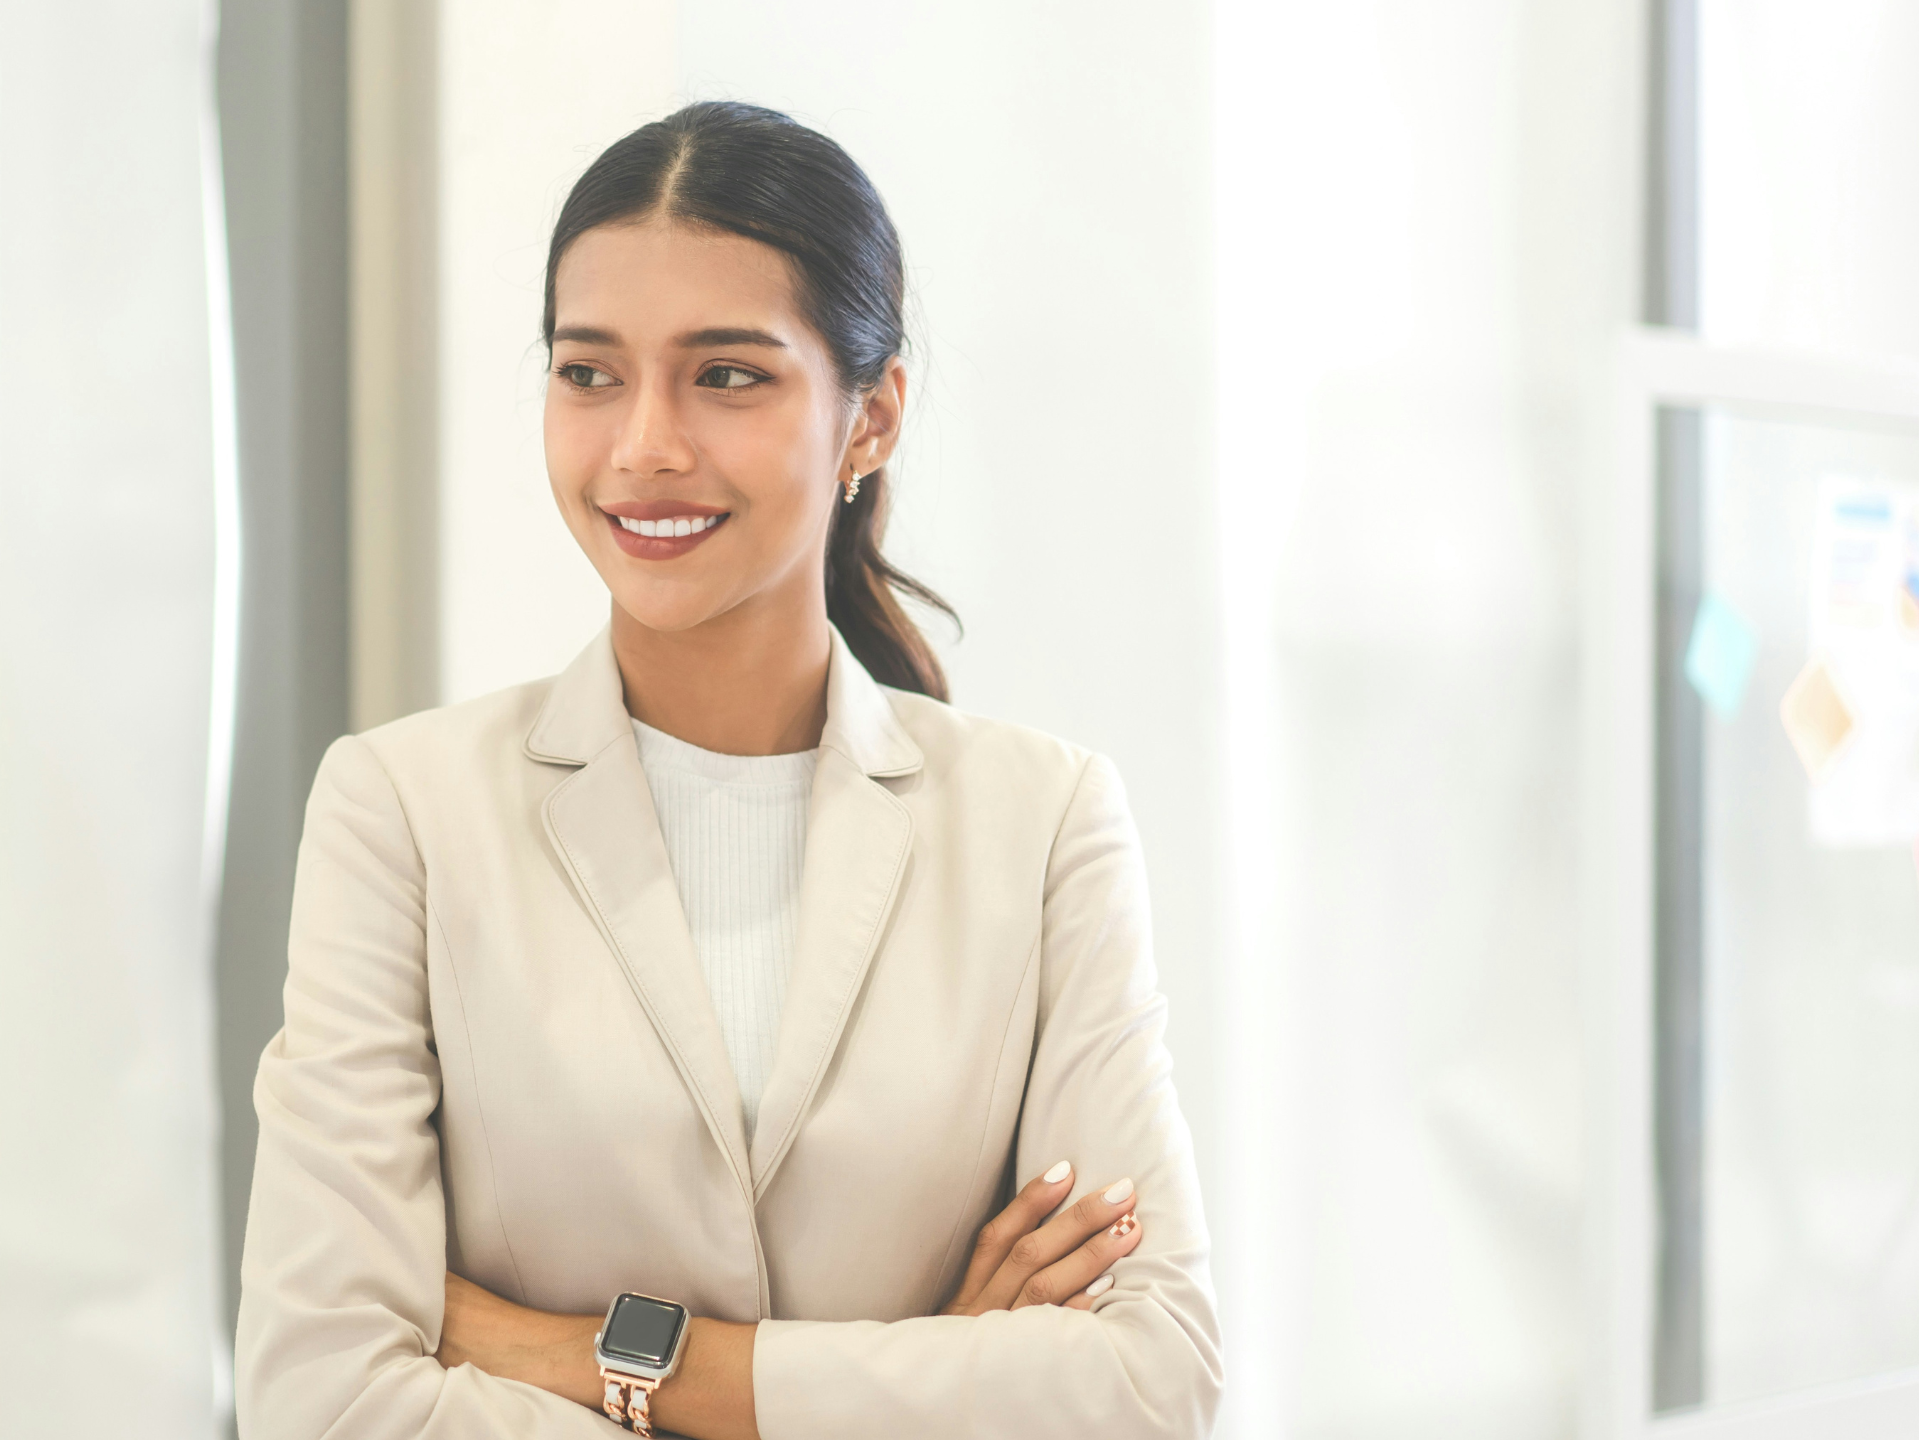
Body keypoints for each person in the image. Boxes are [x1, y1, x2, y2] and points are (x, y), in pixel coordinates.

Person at [234, 101, 1221, 1439]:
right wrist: (925, 1380)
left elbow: (1150, 1384)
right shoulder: (403, 814)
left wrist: (583, 1354)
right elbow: (322, 1396)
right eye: (590, 374)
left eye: (727, 375)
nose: (643, 443)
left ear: (871, 420)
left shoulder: (1041, 828)